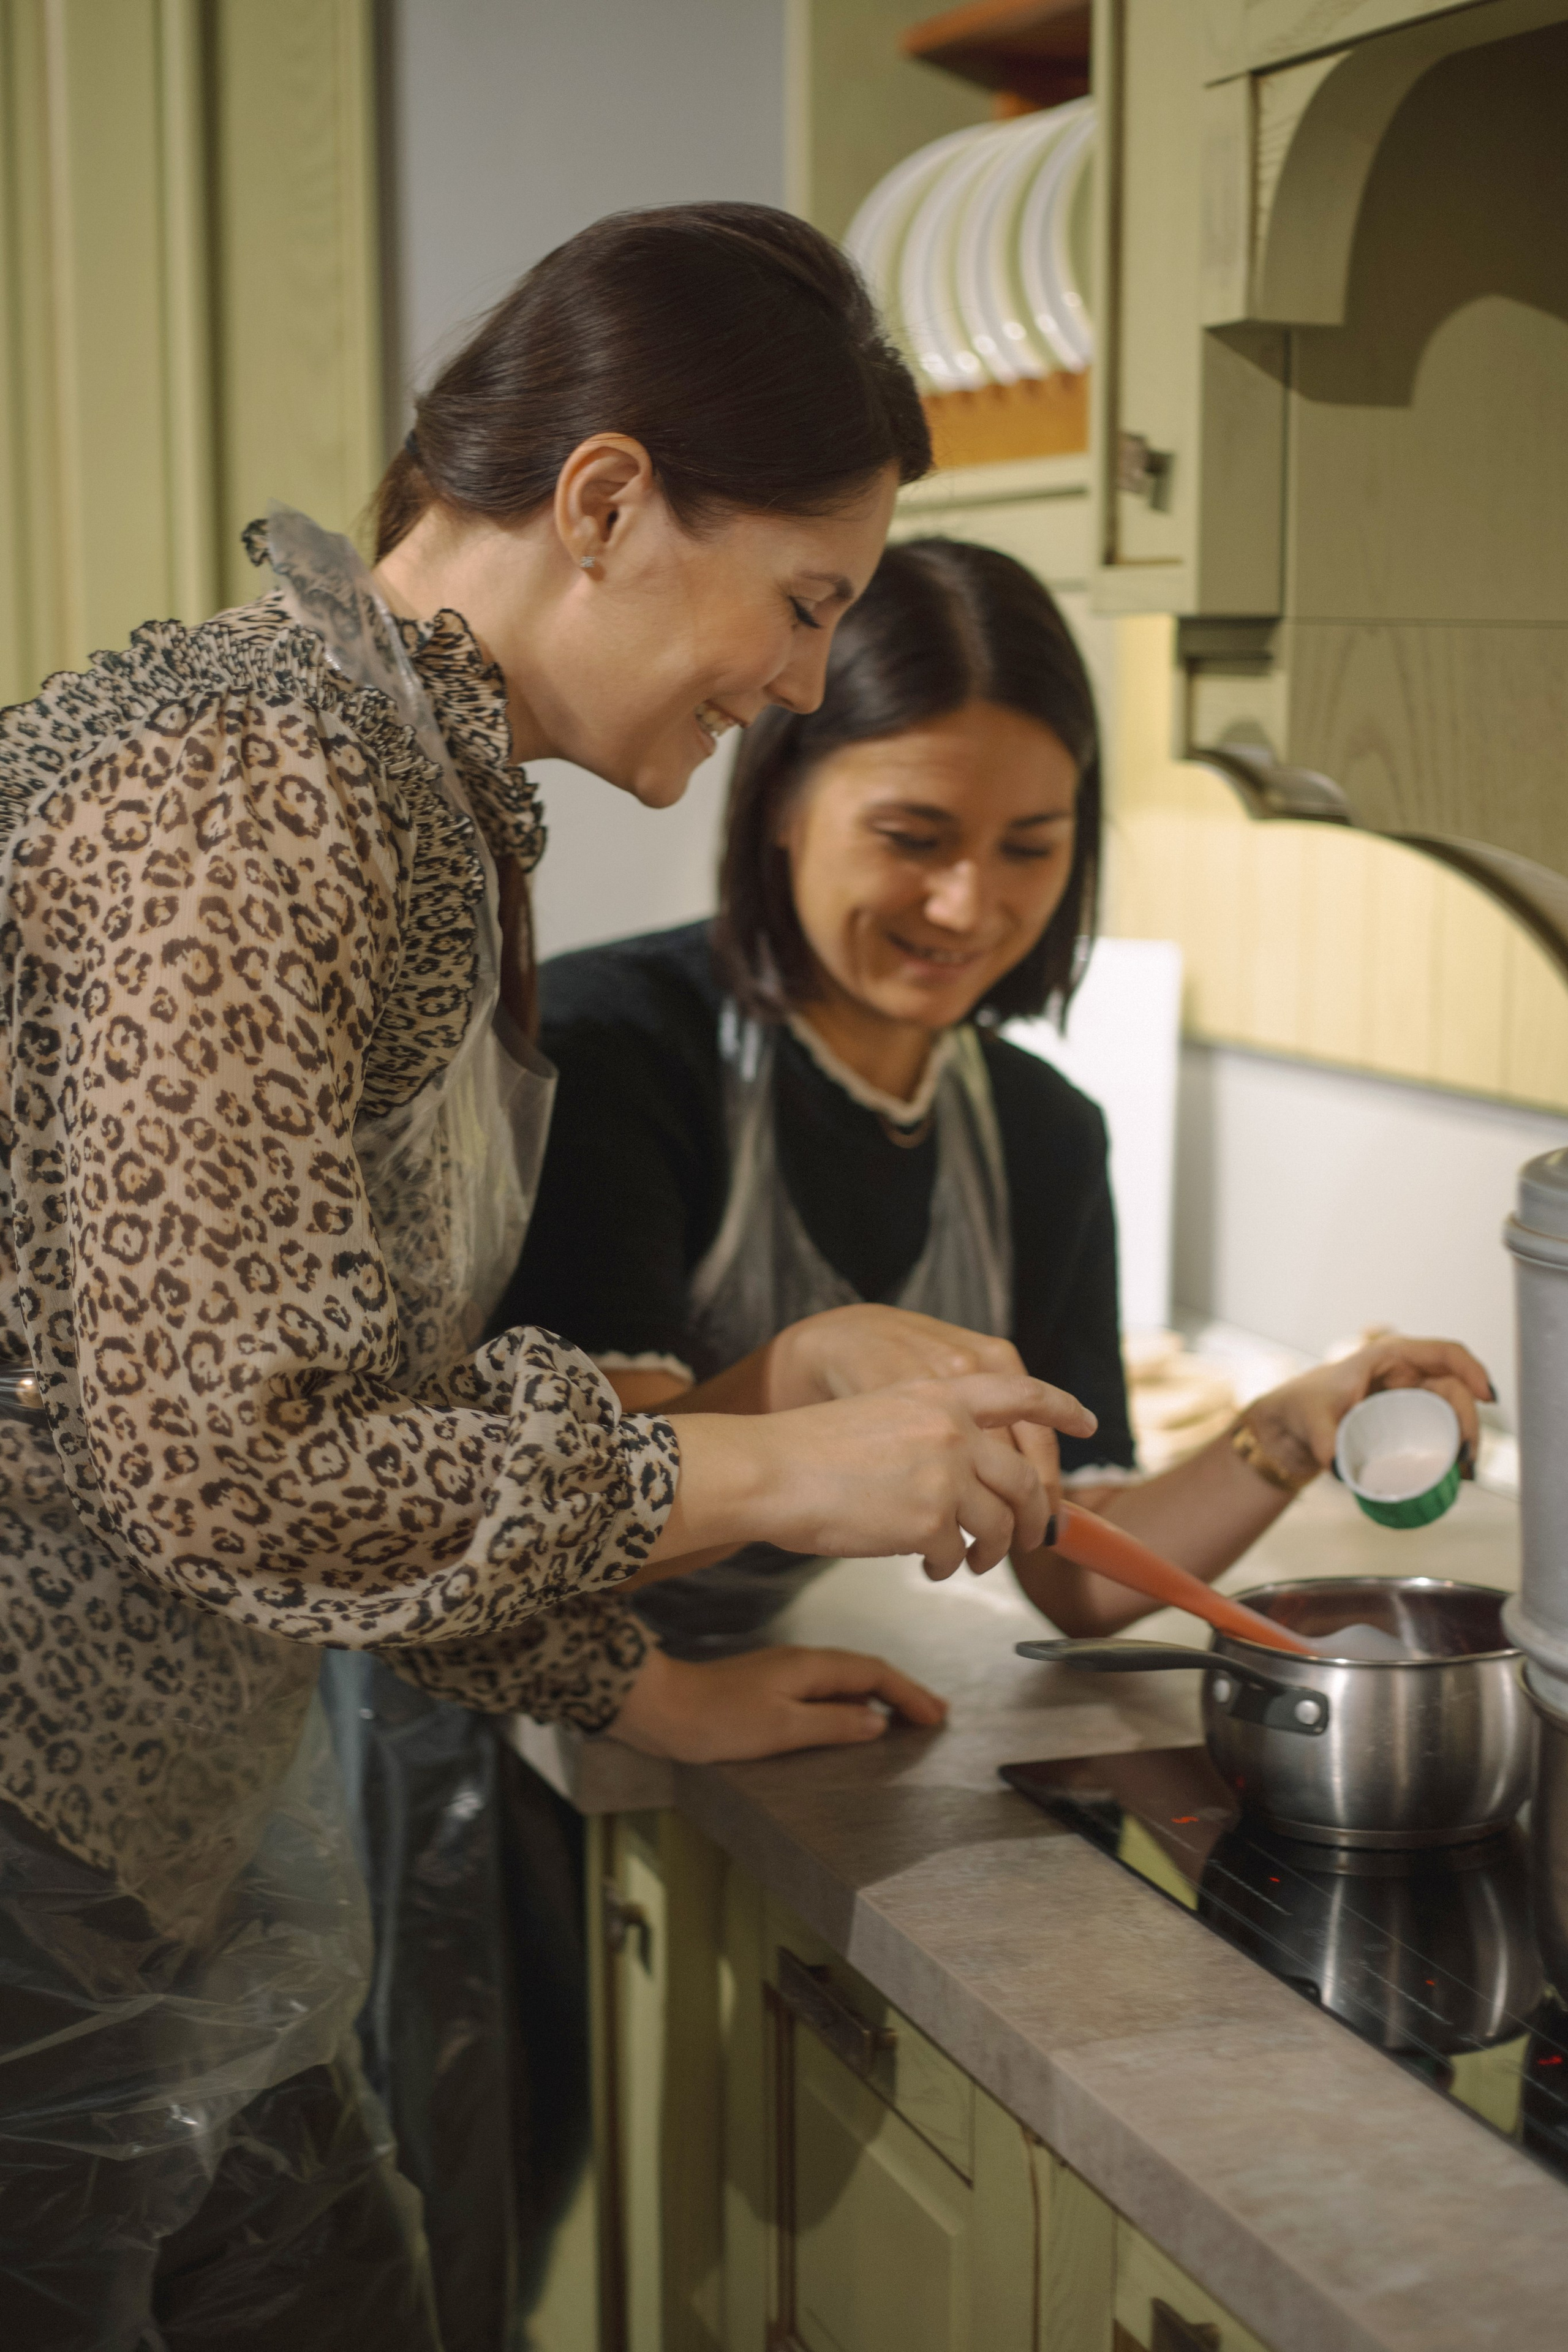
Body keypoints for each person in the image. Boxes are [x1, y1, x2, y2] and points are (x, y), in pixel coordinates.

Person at [0, 206, 1097, 2351]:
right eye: (805, 603)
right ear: (603, 501)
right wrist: (772, 1472)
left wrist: (647, 1642)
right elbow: (237, 1468)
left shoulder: (401, 780)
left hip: (145, 1847)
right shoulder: (265, 785)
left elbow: (345, 1400)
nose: (802, 683)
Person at [503, 534, 1493, 1646]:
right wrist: (801, 1371)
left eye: (1030, 848)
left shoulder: (1043, 1129)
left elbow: (1075, 1567)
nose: (969, 907)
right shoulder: (613, 1053)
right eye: (912, 838)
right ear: (782, 801)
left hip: (741, 1670)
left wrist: (1285, 1433)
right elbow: (580, 1525)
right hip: (516, 1703)